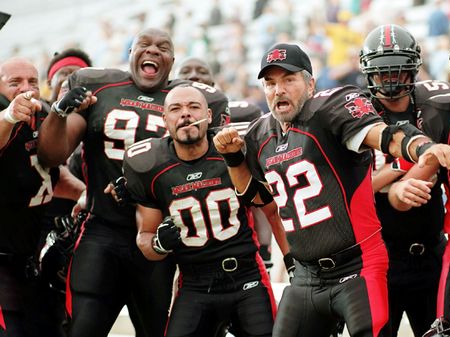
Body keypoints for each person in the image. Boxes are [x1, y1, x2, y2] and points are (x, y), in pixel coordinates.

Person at [213, 42, 450, 337]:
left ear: (310, 83)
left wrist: (424, 147)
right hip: (306, 276)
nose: (278, 90)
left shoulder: (331, 109)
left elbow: (386, 135)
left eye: (288, 80)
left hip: (357, 267)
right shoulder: (258, 134)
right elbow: (257, 197)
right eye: (270, 82)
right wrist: (233, 159)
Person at [36, 28, 229, 337]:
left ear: (172, 60)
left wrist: (143, 186)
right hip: (102, 231)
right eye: (144, 44)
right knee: (82, 327)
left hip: (159, 237)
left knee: (157, 329)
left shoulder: (188, 101)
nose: (153, 51)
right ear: (131, 53)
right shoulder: (99, 87)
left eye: (162, 47)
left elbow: (211, 171)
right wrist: (60, 112)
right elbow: (50, 154)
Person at [123, 85, 289, 337]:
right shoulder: (149, 165)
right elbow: (145, 238)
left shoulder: (233, 149)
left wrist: (292, 263)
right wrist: (159, 244)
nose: (185, 114)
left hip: (246, 276)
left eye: (193, 107)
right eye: (176, 109)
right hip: (194, 283)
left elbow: (272, 210)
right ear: (164, 120)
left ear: (209, 116)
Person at [359, 24, 450, 337]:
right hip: (379, 257)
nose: (390, 81)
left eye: (398, 72)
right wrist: (399, 170)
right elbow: (347, 191)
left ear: (412, 71)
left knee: (444, 331)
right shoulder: (355, 115)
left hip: (431, 252)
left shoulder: (439, 105)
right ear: (368, 74)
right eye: (382, 73)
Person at [0, 57, 84, 337]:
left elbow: (52, 174)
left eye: (32, 82)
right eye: (15, 83)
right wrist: (9, 116)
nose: (26, 89)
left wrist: (86, 196)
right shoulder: (6, 113)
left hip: (30, 257)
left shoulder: (44, 112)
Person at [174, 56, 277, 274]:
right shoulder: (161, 119)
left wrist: (265, 250)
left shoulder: (240, 114)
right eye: (186, 71)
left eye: (201, 71)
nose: (193, 75)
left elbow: (259, 195)